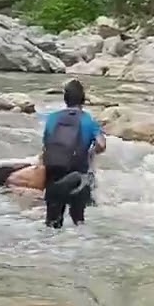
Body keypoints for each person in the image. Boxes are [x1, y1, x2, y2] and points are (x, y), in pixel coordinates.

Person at [41, 79, 106, 228]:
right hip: (77, 175)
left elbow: (46, 144)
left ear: (65, 99)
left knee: (52, 224)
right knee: (78, 223)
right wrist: (92, 152)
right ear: (83, 99)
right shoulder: (88, 120)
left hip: (53, 173)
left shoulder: (52, 118)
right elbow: (101, 145)